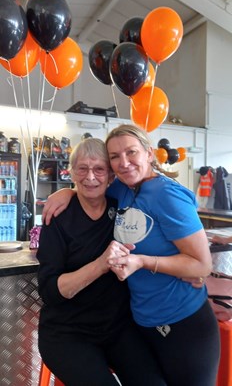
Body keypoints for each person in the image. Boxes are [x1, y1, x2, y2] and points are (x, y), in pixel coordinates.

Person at [42, 124, 220, 386]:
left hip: (182, 320)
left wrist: (142, 262)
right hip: (142, 322)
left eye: (131, 152)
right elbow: (91, 186)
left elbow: (201, 265)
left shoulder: (166, 193)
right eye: (114, 157)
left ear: (149, 153)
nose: (123, 163)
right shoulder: (123, 190)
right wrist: (66, 191)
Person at [37, 137, 166, 386]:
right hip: (67, 334)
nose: (90, 177)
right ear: (72, 172)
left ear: (111, 175)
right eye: (82, 169)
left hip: (117, 328)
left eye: (99, 169)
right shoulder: (59, 217)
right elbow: (50, 291)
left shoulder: (121, 208)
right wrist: (101, 264)